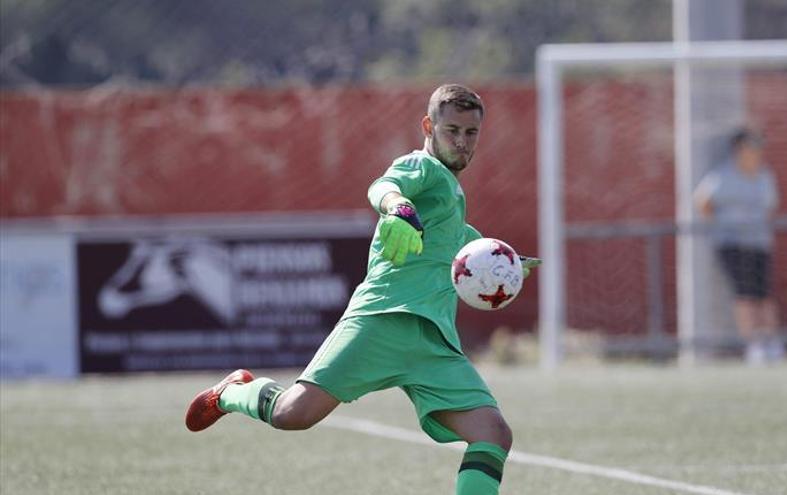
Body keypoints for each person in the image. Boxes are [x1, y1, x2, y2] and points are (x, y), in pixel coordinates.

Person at [185, 84, 540, 495]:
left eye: (471, 133)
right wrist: (397, 207)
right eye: (451, 130)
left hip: (434, 343)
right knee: (292, 414)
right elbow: (383, 186)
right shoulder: (422, 168)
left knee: (492, 433)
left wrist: (507, 264)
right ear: (429, 126)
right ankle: (234, 392)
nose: (461, 141)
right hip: (380, 321)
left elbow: (464, 244)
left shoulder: (452, 196)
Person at [694, 127, 783, 365]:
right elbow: (702, 202)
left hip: (758, 243)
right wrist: (723, 225)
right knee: (744, 294)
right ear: (738, 150)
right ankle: (754, 345)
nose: (756, 153)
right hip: (731, 244)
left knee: (763, 294)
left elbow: (770, 207)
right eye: (750, 147)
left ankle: (772, 343)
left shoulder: (764, 176)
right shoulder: (722, 176)